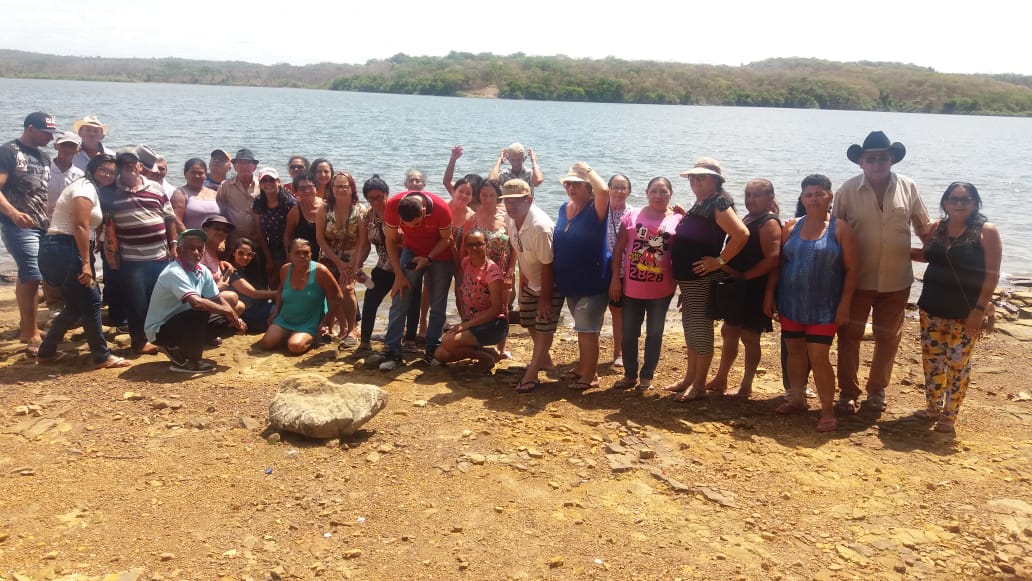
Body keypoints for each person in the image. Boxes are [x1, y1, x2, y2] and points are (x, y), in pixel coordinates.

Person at [834, 131, 930, 414]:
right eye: (871, 158)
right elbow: (834, 234)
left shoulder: (908, 187)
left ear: (891, 160)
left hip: (896, 279)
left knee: (888, 338)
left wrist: (936, 256)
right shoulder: (847, 190)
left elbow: (923, 227)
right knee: (849, 337)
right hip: (857, 279)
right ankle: (848, 392)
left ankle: (877, 390)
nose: (877, 163)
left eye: (883, 158)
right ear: (861, 162)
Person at [765, 174, 858, 432]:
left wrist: (845, 305)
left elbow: (852, 270)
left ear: (830, 196)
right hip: (791, 302)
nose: (814, 198)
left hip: (825, 306)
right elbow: (780, 265)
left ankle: (827, 412)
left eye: (819, 193)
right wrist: (770, 295)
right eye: (809, 194)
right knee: (795, 352)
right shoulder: (791, 226)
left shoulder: (840, 229)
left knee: (818, 356)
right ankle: (797, 399)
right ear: (802, 198)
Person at [911, 182, 1002, 435]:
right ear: (945, 202)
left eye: (966, 199)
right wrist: (895, 250)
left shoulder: (986, 231)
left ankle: (949, 417)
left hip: (965, 311)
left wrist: (980, 309)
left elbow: (992, 275)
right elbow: (929, 256)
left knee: (958, 364)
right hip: (931, 306)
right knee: (932, 362)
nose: (959, 204)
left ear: (975, 203)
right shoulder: (937, 228)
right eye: (954, 199)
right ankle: (932, 408)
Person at [35, 154, 129, 369]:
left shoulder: (90, 188)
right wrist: (86, 262)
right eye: (104, 169)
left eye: (112, 172)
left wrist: (92, 245)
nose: (108, 174)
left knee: (76, 305)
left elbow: (86, 225)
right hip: (65, 247)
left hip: (61, 248)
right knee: (92, 300)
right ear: (93, 169)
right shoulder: (84, 187)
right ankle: (102, 356)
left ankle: (46, 352)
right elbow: (79, 226)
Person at [666, 157, 749, 401]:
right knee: (691, 328)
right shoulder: (703, 202)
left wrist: (720, 261)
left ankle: (699, 385)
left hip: (702, 278)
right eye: (693, 177)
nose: (695, 181)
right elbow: (702, 231)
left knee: (700, 330)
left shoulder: (718, 202)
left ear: (715, 180)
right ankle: (690, 378)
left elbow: (741, 234)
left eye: (701, 177)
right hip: (690, 280)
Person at [706, 179, 782, 398]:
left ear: (770, 198)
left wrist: (744, 276)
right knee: (728, 332)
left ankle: (746, 384)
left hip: (754, 288)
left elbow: (774, 259)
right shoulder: (749, 218)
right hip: (737, 288)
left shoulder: (769, 222)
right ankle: (721, 378)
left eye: (757, 195)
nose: (751, 199)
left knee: (750, 337)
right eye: (748, 195)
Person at [367, 182, 455, 371]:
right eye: (407, 226)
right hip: (411, 251)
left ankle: (432, 348)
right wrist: (398, 275)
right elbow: (391, 241)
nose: (413, 228)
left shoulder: (441, 208)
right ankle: (392, 350)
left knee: (437, 303)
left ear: (424, 209)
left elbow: (447, 239)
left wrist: (428, 258)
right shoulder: (393, 205)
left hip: (440, 255)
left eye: (416, 224)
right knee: (400, 296)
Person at [608, 177, 681, 390]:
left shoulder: (677, 219)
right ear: (647, 193)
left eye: (663, 192)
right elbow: (619, 250)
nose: (658, 196)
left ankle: (647, 376)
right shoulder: (632, 216)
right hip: (632, 288)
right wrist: (615, 279)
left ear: (670, 194)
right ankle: (630, 374)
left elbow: (681, 252)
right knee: (629, 333)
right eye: (654, 191)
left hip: (662, 289)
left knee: (655, 333)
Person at [103, 150, 177, 355]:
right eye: (123, 164)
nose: (129, 168)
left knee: (161, 299)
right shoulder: (111, 192)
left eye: (132, 164)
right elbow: (106, 225)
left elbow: (169, 218)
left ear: (139, 166)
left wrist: (173, 244)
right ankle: (139, 341)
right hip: (131, 258)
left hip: (160, 256)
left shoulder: (155, 187)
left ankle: (161, 336)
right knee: (136, 302)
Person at [145, 228, 247, 373]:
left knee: (227, 321)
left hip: (183, 321)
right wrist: (229, 311)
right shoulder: (174, 272)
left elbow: (216, 297)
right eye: (191, 248)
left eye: (200, 249)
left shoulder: (202, 270)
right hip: (159, 330)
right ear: (179, 251)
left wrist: (235, 318)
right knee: (200, 311)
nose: (196, 253)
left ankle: (184, 347)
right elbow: (196, 303)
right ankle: (187, 359)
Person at [0, 112, 59, 355]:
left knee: (32, 274)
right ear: (31, 129)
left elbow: (42, 194)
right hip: (18, 224)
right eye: (46, 132)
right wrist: (13, 214)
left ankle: (27, 327)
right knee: (32, 273)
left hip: (42, 224)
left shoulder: (45, 157)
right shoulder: (9, 151)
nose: (50, 137)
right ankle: (31, 333)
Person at [553, 163, 612, 391]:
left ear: (588, 187)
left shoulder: (595, 209)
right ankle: (582, 367)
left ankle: (591, 375)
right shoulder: (563, 208)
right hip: (570, 281)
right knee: (581, 326)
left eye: (576, 184)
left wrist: (586, 170)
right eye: (568, 184)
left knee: (587, 326)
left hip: (593, 281)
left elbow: (605, 191)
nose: (571, 188)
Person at [501, 179, 562, 393]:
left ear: (529, 199)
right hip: (531, 279)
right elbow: (518, 249)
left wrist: (545, 298)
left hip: (551, 282)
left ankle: (532, 372)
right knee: (527, 319)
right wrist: (522, 276)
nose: (510, 206)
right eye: (507, 201)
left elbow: (548, 263)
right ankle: (544, 360)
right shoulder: (510, 218)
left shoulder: (540, 226)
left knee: (544, 322)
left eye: (516, 201)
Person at [434, 229, 509, 371]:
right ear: (466, 246)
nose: (474, 248)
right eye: (470, 245)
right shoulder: (466, 262)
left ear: (487, 244)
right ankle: (489, 353)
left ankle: (485, 359)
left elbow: (497, 309)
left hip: (493, 325)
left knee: (447, 341)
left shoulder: (493, 272)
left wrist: (465, 326)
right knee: (440, 355)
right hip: (472, 323)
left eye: (479, 244)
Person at [261, 238, 346, 355]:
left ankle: (312, 336)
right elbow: (280, 291)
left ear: (311, 254)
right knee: (267, 343)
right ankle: (291, 334)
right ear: (290, 255)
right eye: (297, 253)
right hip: (286, 318)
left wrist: (325, 322)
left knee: (295, 346)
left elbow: (337, 297)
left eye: (306, 253)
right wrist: (275, 312)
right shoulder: (285, 269)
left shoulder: (321, 271)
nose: (302, 256)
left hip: (310, 321)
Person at [461, 179, 515, 357]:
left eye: (492, 195)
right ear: (478, 196)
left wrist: (510, 271)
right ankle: (478, 344)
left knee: (502, 308)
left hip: (502, 271)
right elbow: (465, 247)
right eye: (484, 195)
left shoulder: (507, 218)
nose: (488, 199)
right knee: (476, 306)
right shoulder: (473, 218)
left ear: (497, 196)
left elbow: (514, 247)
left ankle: (501, 347)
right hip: (478, 272)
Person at [316, 171, 363, 346]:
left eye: (345, 186)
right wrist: (338, 262)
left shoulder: (359, 211)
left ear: (352, 188)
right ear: (331, 189)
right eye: (337, 186)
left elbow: (363, 242)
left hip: (352, 258)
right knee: (331, 291)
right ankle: (340, 326)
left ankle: (352, 329)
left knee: (348, 288)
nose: (341, 190)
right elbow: (320, 239)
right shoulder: (324, 209)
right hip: (329, 256)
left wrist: (352, 265)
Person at [252, 167, 296, 288]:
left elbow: (292, 232)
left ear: (278, 181)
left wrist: (289, 256)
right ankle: (274, 303)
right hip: (272, 244)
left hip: (291, 243)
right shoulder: (258, 202)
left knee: (287, 277)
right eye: (264, 181)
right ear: (260, 184)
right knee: (272, 277)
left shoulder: (289, 202)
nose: (268, 183)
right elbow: (259, 232)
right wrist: (269, 259)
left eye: (271, 180)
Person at [606, 173, 632, 367]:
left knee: (618, 312)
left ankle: (619, 352)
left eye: (623, 187)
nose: (619, 191)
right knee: (595, 311)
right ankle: (589, 354)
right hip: (600, 269)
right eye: (615, 186)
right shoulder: (599, 210)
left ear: (629, 191)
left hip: (624, 271)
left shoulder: (634, 214)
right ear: (608, 189)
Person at [226, 237, 278, 333]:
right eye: (241, 253)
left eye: (249, 254)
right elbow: (253, 293)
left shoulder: (247, 269)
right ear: (234, 253)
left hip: (257, 307)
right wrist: (282, 293)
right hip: (248, 312)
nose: (245, 257)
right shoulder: (230, 271)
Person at [216, 148, 261, 242]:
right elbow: (220, 212)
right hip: (233, 238)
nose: (244, 166)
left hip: (258, 238)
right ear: (235, 166)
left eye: (248, 163)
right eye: (240, 163)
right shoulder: (225, 186)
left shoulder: (262, 185)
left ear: (254, 167)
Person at [171, 158, 220, 231]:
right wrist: (192, 237)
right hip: (191, 239)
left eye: (200, 173)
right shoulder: (180, 193)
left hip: (215, 240)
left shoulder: (214, 193)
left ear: (206, 174)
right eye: (193, 172)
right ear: (185, 173)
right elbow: (176, 221)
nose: (197, 176)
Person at [283, 173, 322, 261]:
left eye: (310, 187)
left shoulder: (325, 207)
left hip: (325, 256)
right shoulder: (295, 212)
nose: (307, 191)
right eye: (302, 188)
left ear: (316, 188)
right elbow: (288, 235)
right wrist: (289, 255)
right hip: (302, 257)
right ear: (296, 191)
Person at [47, 132, 85, 216]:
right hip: (40, 218)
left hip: (65, 220)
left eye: (72, 146)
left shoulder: (80, 176)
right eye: (64, 145)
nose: (67, 149)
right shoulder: (44, 168)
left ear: (79, 150)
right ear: (55, 146)